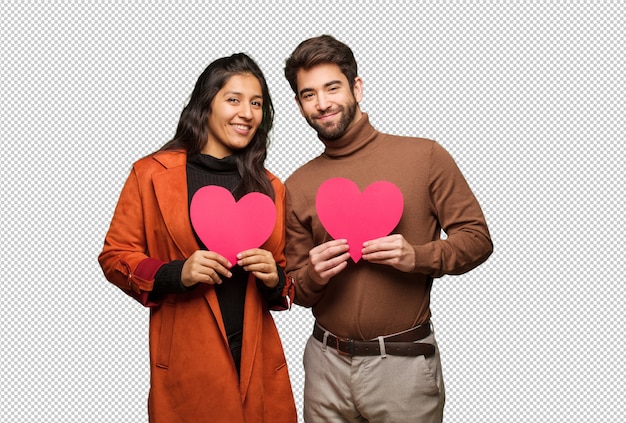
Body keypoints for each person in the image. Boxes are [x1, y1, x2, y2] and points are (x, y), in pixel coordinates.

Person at [283, 35, 493, 422]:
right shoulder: (296, 185)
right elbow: (295, 288)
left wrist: (418, 257)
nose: (323, 103)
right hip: (324, 366)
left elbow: (477, 239)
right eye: (308, 94)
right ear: (299, 105)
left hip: (403, 366)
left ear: (357, 88)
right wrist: (313, 274)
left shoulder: (425, 156)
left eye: (333, 88)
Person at [99, 53, 297, 423]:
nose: (247, 113)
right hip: (188, 361)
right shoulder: (151, 173)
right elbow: (115, 255)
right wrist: (177, 273)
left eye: (256, 103)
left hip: (257, 361)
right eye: (233, 99)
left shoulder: (271, 187)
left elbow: (287, 281)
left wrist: (275, 278)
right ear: (205, 104)